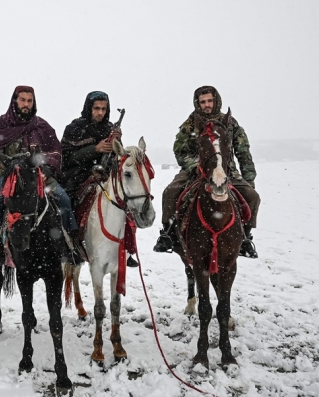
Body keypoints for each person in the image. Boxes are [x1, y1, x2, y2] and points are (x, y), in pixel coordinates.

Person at [153, 85, 260, 258]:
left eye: (210, 101)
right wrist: (194, 165)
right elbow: (180, 151)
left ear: (216, 101)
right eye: (203, 102)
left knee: (253, 197)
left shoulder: (230, 124)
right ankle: (168, 233)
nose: (207, 105)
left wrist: (249, 180)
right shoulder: (189, 125)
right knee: (170, 192)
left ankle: (245, 237)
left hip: (226, 172)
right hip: (194, 171)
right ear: (197, 103)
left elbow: (243, 153)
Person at [0, 86, 77, 271]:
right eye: (23, 100)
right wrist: (9, 165)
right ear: (14, 101)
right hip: (9, 175)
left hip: (39, 176)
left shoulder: (42, 126)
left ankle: (69, 247)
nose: (26, 104)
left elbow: (55, 152)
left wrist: (46, 171)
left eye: (29, 101)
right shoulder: (2, 125)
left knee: (64, 200)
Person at [59, 91, 138, 267]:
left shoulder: (110, 128)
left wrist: (117, 142)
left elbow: (118, 156)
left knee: (127, 201)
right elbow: (67, 157)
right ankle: (69, 245)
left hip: (106, 175)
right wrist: (95, 149)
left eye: (103, 109)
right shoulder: (74, 128)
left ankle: (127, 246)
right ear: (89, 108)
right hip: (77, 175)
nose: (100, 113)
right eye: (96, 108)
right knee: (66, 202)